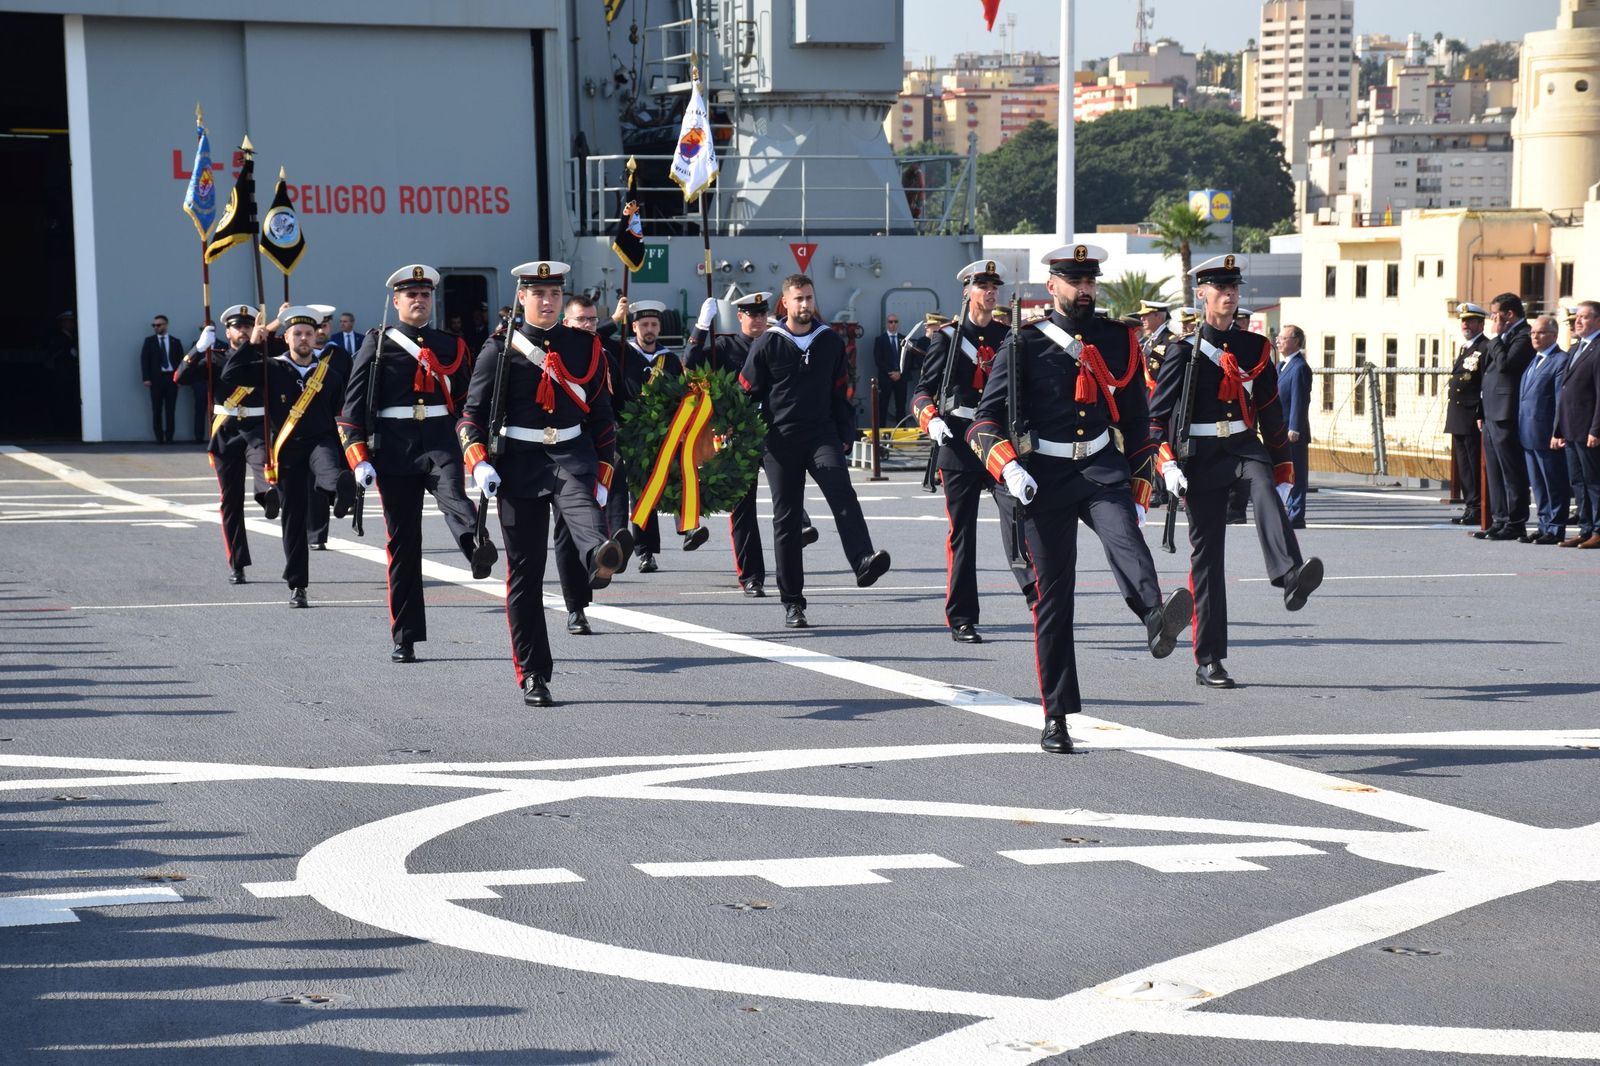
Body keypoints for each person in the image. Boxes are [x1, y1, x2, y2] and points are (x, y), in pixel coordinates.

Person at [964, 245, 1191, 753]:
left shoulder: (1118, 340)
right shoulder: (1022, 344)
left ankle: (1155, 616)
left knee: (1126, 536)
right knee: (1053, 600)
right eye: (1075, 281)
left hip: (1098, 467)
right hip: (1042, 476)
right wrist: (1009, 466)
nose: (1085, 290)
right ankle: (1056, 715)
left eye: (1090, 281)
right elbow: (983, 420)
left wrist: (1145, 477)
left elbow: (1136, 422)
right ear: (1053, 287)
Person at [1148, 254, 1323, 690]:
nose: (1229, 295)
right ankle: (1209, 659)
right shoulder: (1181, 351)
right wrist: (1164, 460)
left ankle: (1288, 575)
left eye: (1234, 288)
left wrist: (1284, 467)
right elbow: (1156, 418)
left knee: (1262, 482)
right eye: (1220, 288)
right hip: (1200, 456)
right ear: (1202, 295)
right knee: (1207, 560)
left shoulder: (1255, 348)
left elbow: (1270, 409)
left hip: (1244, 444)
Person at [459, 261, 630, 706]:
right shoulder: (498, 350)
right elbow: (471, 417)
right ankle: (533, 673)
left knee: (582, 508)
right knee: (525, 575)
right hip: (517, 463)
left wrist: (605, 469)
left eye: (554, 293)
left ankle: (600, 554)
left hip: (571, 454)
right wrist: (479, 462)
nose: (548, 301)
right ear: (522, 297)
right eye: (538, 293)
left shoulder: (586, 348)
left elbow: (602, 416)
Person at [338, 263, 483, 663]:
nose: (419, 301)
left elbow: (470, 400)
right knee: (403, 543)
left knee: (455, 495)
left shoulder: (451, 345)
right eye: (411, 295)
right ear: (396, 301)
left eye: (425, 295)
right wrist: (358, 457)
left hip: (440, 439)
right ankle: (405, 635)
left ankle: (475, 548)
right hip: (394, 448)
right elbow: (351, 408)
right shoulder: (378, 343)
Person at [740, 273, 891, 628]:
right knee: (787, 520)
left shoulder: (830, 343)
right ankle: (793, 602)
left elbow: (843, 394)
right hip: (780, 442)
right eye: (799, 299)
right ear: (786, 304)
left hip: (821, 435)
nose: (805, 305)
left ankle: (863, 561)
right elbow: (746, 392)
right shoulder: (767, 344)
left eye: (809, 298)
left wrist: (845, 435)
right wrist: (743, 437)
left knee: (842, 492)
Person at [913, 259, 1035, 643]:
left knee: (1019, 519)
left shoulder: (1006, 337)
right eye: (982, 285)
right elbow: (921, 391)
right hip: (959, 440)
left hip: (997, 440)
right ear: (967, 291)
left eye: (993, 285)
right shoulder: (947, 339)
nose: (990, 291)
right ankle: (962, 616)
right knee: (962, 533)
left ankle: (1036, 596)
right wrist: (930, 419)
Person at [686, 291, 819, 597]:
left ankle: (800, 525)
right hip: (738, 433)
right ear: (740, 317)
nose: (758, 319)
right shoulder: (724, 345)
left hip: (774, 430)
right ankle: (751, 576)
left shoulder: (779, 341)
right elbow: (691, 364)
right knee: (742, 508)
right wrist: (701, 327)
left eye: (761, 314)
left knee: (786, 494)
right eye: (751, 314)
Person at [223, 306, 357, 607]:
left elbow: (342, 413)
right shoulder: (272, 368)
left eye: (309, 333)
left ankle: (339, 494)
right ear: (286, 338)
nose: (304, 338)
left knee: (329, 467)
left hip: (320, 440)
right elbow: (231, 373)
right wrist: (254, 343)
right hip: (286, 449)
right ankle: (298, 585)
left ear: (316, 336)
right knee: (293, 518)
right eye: (297, 333)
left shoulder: (330, 374)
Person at [177, 304, 274, 583]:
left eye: (248, 326)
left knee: (264, 470)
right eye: (237, 326)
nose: (243, 331)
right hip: (226, 432)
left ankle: (267, 495)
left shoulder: (265, 357)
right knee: (230, 501)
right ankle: (237, 563)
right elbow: (179, 378)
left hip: (256, 428)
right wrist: (196, 349)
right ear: (227, 331)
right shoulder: (214, 359)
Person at [610, 296, 703, 570]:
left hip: (665, 430)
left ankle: (688, 529)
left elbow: (680, 395)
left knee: (676, 476)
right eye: (644, 324)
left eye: (654, 324)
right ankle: (645, 552)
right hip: (633, 432)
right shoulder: (622, 353)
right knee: (641, 491)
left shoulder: (670, 360)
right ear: (635, 327)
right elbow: (597, 339)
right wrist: (615, 317)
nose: (649, 329)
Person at [1476, 292, 1535, 541]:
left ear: (1509, 315)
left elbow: (1505, 366)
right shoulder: (1502, 338)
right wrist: (1481, 411)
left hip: (1507, 412)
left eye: (1495, 314)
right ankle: (1500, 519)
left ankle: (1516, 521)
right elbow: (1487, 376)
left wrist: (1497, 337)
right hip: (1491, 412)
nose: (1492, 319)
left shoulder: (1524, 336)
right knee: (1495, 471)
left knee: (1511, 470)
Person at [1517, 315, 1570, 545]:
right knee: (1538, 484)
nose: (1535, 337)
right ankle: (1543, 524)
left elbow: (1560, 400)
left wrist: (1557, 432)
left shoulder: (1560, 360)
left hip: (1547, 432)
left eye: (1540, 333)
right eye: (1532, 333)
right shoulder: (1534, 360)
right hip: (1528, 432)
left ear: (1554, 335)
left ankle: (1556, 527)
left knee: (1553, 483)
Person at [1555, 301, 1600, 548]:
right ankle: (1585, 529)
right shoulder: (1575, 349)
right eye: (1577, 317)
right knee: (1578, 482)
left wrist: (1596, 429)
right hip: (1572, 427)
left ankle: (1598, 529)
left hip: (1588, 429)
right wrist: (1559, 429)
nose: (1578, 321)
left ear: (1597, 320)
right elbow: (1565, 390)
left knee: (1594, 482)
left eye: (1584, 317)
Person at [1445, 303, 1490, 524]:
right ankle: (1470, 505)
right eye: (1463, 320)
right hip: (1458, 413)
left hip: (1472, 414)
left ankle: (1478, 507)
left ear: (1481, 324)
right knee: (1464, 465)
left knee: (1473, 464)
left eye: (1471, 320)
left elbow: (1485, 385)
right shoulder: (1466, 348)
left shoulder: (1485, 347)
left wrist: (1481, 412)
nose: (1465, 324)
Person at [1276, 323, 1312, 529]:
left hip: (1292, 431)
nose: (1278, 341)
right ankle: (1289, 509)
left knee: (1296, 473)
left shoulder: (1299, 367)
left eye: (1284, 338)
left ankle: (1297, 514)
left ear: (1296, 341)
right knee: (1285, 471)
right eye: (1279, 337)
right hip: (1280, 429)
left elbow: (1300, 400)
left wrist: (1295, 428)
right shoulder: (1282, 366)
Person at [140, 314, 182, 443]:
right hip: (156, 380)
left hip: (171, 379)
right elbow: (144, 360)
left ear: (165, 325)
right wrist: (146, 378)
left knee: (171, 409)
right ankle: (159, 437)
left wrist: (180, 379)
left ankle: (169, 437)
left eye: (158, 325)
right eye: (154, 325)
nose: (156, 327)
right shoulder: (149, 341)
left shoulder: (175, 341)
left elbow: (182, 362)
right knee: (156, 409)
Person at [873, 314, 907, 425]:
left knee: (901, 407)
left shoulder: (904, 339)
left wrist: (900, 373)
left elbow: (908, 359)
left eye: (895, 322)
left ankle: (901, 430)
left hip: (901, 379)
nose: (893, 324)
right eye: (890, 322)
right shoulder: (880, 340)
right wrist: (890, 373)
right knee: (883, 406)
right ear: (886, 323)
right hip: (886, 379)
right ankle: (880, 432)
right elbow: (878, 360)